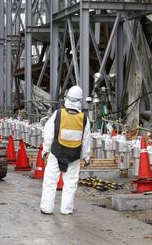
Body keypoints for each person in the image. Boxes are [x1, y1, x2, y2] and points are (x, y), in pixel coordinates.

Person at [40, 85, 91, 215]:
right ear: (80, 100)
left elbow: (49, 132)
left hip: (56, 153)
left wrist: (45, 150)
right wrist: (86, 156)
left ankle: (47, 208)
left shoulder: (58, 114)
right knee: (70, 183)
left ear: (67, 98)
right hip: (74, 156)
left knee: (50, 181)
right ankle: (66, 209)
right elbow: (86, 140)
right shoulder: (84, 118)